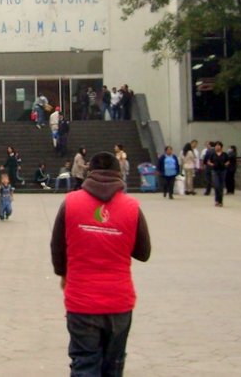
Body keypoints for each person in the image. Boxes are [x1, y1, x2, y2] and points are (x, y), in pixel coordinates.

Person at [50, 151, 152, 376]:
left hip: (81, 301)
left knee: (84, 364)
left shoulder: (70, 203)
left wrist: (63, 273)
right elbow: (144, 253)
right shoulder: (132, 207)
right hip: (119, 302)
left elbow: (57, 247)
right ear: (118, 173)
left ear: (89, 172)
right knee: (113, 365)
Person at [206, 141, 231, 207]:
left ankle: (220, 201)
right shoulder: (213, 154)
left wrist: (225, 164)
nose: (217, 147)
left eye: (218, 145)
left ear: (221, 147)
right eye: (216, 146)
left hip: (222, 171)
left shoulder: (224, 154)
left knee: (221, 186)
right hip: (215, 171)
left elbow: (228, 161)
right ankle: (216, 200)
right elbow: (208, 161)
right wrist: (212, 164)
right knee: (217, 185)